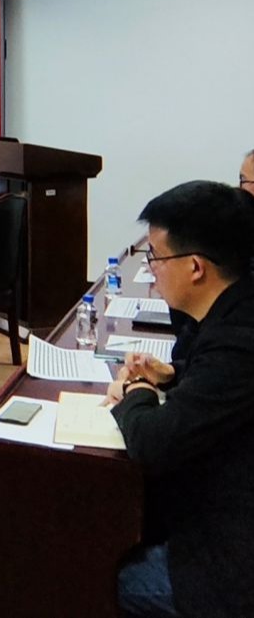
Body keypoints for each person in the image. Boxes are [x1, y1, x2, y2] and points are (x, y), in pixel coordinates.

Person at [107, 181, 254, 618]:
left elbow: (153, 442)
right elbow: (221, 385)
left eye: (155, 256)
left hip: (235, 564)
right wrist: (172, 376)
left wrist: (135, 391)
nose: (151, 269)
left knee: (118, 578)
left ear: (195, 267)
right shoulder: (237, 309)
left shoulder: (238, 341)